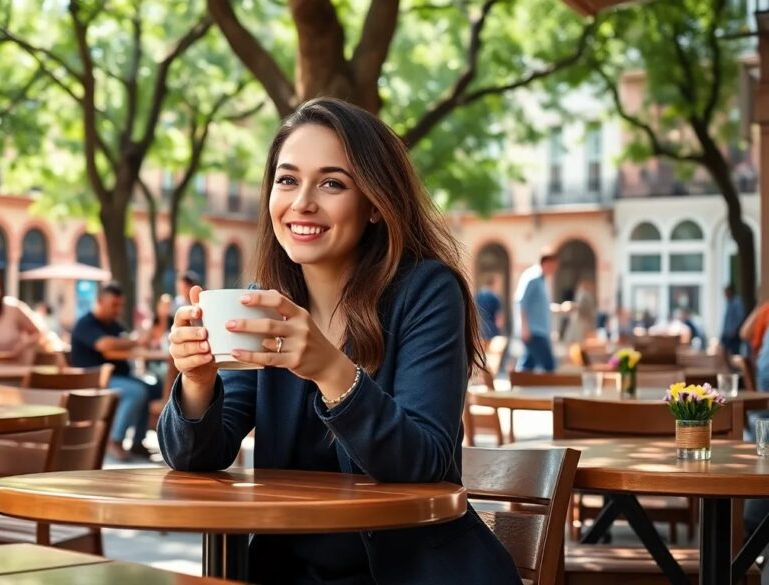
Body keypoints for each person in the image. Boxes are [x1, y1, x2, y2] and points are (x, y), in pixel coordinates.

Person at [159, 98, 519, 584]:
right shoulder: (262, 304)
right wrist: (197, 381)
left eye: (332, 183)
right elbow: (196, 457)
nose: (302, 202)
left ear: (374, 203)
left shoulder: (426, 292)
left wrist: (331, 370)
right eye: (287, 180)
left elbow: (426, 462)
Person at [70, 282, 161, 461]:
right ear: (99, 301)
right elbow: (105, 344)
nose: (118, 310)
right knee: (137, 391)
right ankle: (114, 440)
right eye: (114, 305)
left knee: (153, 387)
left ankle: (137, 442)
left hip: (118, 376)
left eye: (120, 305)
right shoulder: (85, 324)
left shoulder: (114, 325)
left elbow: (121, 342)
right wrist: (135, 342)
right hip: (94, 379)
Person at [515, 250, 558, 372]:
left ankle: (519, 386)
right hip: (534, 331)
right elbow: (522, 302)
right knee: (549, 365)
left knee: (528, 364)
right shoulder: (532, 278)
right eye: (554, 265)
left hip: (540, 330)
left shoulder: (543, 281)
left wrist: (560, 309)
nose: (554, 269)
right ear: (546, 262)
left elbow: (541, 306)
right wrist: (524, 327)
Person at [564, 280, 597, 344]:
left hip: (585, 319)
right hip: (582, 318)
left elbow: (583, 306)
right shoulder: (582, 294)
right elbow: (579, 305)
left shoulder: (586, 294)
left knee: (584, 337)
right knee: (579, 337)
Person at [474, 274, 503, 341]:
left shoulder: (478, 294)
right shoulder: (495, 297)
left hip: (479, 327)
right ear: (494, 283)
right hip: (491, 329)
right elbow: (499, 319)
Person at [721, 285, 746, 356]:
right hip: (727, 333)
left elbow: (740, 317)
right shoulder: (729, 302)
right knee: (725, 353)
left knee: (734, 353)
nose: (724, 295)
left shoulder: (737, 302)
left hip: (733, 334)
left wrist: (734, 329)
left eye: (726, 292)